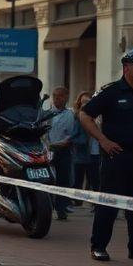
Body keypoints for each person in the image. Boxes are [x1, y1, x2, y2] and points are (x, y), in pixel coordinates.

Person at [77, 46, 133, 262]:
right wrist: (103, 140)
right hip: (117, 156)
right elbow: (85, 115)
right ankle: (98, 246)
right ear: (127, 68)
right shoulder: (112, 92)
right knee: (109, 203)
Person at [46, 87, 77, 220]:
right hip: (49, 150)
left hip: (63, 151)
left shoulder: (70, 114)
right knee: (48, 179)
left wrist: (64, 143)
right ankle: (47, 206)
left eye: (60, 96)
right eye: (55, 96)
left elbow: (71, 134)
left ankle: (61, 208)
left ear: (66, 98)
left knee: (63, 180)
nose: (57, 99)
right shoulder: (48, 114)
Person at [72, 91, 99, 196]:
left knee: (95, 180)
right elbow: (74, 135)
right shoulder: (77, 118)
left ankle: (96, 203)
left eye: (88, 102)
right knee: (78, 179)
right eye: (83, 102)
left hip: (96, 153)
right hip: (82, 153)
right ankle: (77, 200)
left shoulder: (98, 117)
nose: (85, 105)